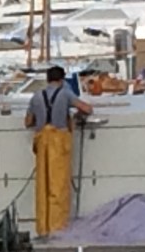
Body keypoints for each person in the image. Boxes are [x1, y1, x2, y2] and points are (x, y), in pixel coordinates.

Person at [24, 65, 93, 236]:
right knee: (58, 186)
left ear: (47, 79)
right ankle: (57, 228)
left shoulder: (36, 96)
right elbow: (86, 108)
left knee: (43, 186)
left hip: (42, 142)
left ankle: (43, 227)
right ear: (62, 80)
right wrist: (74, 116)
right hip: (58, 141)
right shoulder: (65, 93)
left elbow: (28, 122)